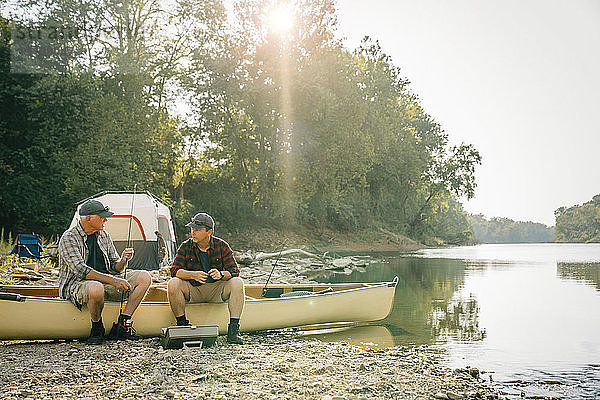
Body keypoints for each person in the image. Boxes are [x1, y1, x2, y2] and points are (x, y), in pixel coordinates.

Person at [58, 199, 152, 344]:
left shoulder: (104, 235)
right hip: (78, 285)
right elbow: (81, 271)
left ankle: (123, 325)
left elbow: (115, 267)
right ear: (88, 218)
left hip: (106, 282)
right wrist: (114, 281)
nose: (105, 219)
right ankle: (97, 328)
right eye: (101, 217)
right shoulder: (69, 238)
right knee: (96, 288)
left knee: (145, 277)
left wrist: (123, 260)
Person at [167, 212, 245, 344]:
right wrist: (192, 274)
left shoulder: (222, 246)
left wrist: (221, 274)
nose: (193, 233)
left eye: (197, 230)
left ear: (209, 232)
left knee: (237, 282)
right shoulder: (186, 246)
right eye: (192, 229)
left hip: (216, 291)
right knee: (173, 283)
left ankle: (233, 331)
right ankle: (182, 325)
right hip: (193, 291)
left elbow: (234, 271)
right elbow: (174, 270)